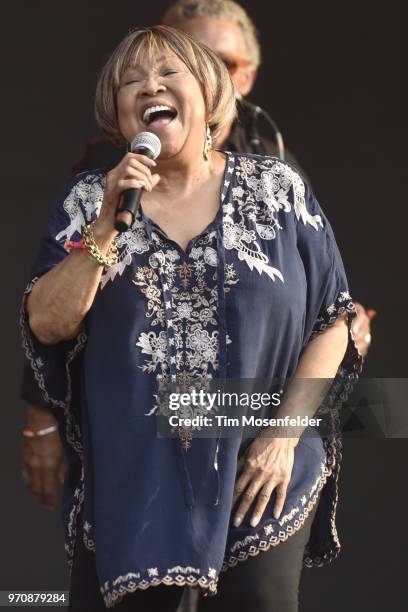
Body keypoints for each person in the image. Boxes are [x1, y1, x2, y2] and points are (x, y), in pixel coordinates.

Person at [21, 24, 361, 611]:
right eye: (131, 81)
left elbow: (334, 320)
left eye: (166, 74)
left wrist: (283, 436)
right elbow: (47, 324)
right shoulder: (88, 203)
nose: (148, 86)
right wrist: (106, 225)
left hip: (261, 463)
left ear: (208, 95)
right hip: (137, 478)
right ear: (118, 114)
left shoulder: (278, 190)